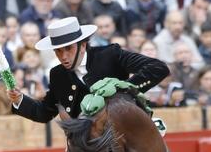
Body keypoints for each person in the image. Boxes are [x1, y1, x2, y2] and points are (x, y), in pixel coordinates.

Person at [9, 17, 168, 123]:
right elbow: (44, 112)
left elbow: (157, 68)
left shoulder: (109, 55)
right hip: (88, 146)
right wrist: (19, 100)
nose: (63, 56)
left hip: (125, 128)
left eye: (68, 49)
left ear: (83, 45)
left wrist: (125, 92)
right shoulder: (57, 75)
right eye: (58, 50)